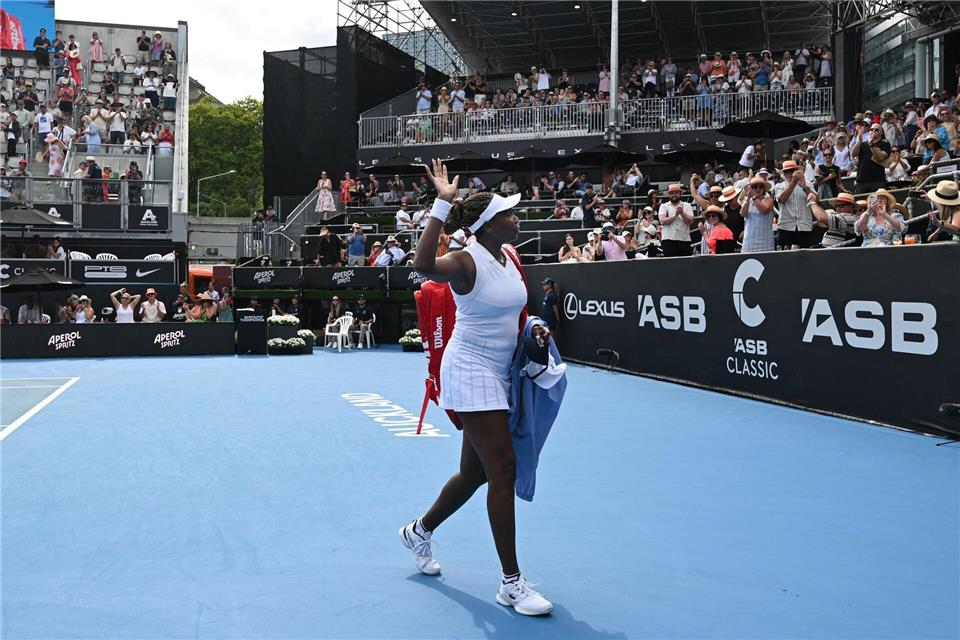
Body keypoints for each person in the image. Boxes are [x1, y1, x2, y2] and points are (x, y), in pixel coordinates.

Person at [403, 158, 554, 617]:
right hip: (469, 370)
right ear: (488, 226)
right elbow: (422, 263)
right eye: (507, 214)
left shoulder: (509, 257)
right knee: (502, 469)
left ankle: (419, 531)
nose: (515, 217)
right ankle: (511, 582)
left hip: (499, 372)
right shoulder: (466, 263)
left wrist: (535, 332)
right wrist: (441, 206)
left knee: (476, 474)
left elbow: (515, 313)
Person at [774, 160, 815, 249]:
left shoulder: (807, 184)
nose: (789, 174)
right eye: (786, 172)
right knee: (784, 257)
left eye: (791, 171)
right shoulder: (779, 186)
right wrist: (794, 182)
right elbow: (782, 199)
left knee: (806, 257)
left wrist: (804, 187)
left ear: (796, 171)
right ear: (783, 174)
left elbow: (816, 199)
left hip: (804, 226)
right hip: (786, 226)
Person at [739, 176, 776, 253]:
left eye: (760, 186)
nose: (758, 189)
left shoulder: (769, 200)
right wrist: (748, 199)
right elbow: (743, 214)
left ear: (764, 189)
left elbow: (764, 210)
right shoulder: (748, 201)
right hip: (749, 242)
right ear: (751, 189)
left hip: (766, 242)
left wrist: (753, 197)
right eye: (755, 187)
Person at [851, 122, 891, 194]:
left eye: (876, 130)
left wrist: (871, 145)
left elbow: (880, 158)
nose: (873, 131)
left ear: (881, 133)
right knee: (860, 203)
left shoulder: (885, 143)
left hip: (877, 181)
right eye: (872, 129)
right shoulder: (863, 144)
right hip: (862, 181)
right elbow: (853, 154)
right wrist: (859, 140)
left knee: (877, 203)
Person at [658, 184, 694, 257]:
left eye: (676, 192)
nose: (674, 195)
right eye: (672, 193)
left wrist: (682, 213)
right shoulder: (664, 206)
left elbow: (690, 221)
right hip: (668, 241)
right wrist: (675, 215)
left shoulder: (687, 205)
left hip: (684, 240)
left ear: (680, 193)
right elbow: (662, 221)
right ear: (669, 195)